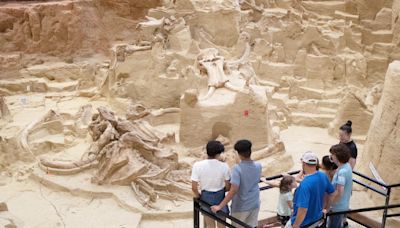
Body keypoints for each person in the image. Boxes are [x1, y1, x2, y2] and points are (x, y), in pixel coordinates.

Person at [211, 139, 262, 227]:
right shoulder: (258, 165)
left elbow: (233, 190)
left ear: (238, 154)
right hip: (254, 203)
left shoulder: (237, 169)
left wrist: (220, 206)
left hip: (241, 206)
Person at [286, 151, 335, 228]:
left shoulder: (304, 185)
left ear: (304, 164)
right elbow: (331, 193)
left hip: (304, 223)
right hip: (316, 219)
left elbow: (303, 209)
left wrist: (295, 226)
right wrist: (326, 209)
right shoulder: (323, 176)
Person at [191, 140, 230, 228]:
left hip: (205, 196)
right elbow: (228, 186)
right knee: (222, 225)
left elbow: (194, 187)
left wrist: (199, 196)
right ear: (219, 153)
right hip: (220, 197)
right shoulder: (224, 166)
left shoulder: (197, 165)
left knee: (209, 225)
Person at [327, 144, 353, 228]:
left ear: (338, 156)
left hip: (337, 208)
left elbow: (340, 192)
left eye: (332, 155)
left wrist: (330, 204)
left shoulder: (342, 172)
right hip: (343, 205)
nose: (331, 157)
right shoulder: (347, 166)